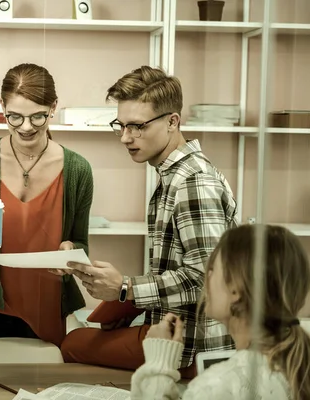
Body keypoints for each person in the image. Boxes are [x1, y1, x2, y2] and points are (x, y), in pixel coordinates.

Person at [61, 66, 237, 376]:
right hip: (174, 333)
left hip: (193, 349)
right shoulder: (176, 175)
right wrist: (125, 302)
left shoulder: (193, 182)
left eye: (138, 126)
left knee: (73, 344)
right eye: (122, 125)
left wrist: (127, 288)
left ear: (172, 122)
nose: (126, 137)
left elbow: (208, 279)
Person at [0, 63, 94, 363]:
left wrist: (71, 251)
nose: (26, 126)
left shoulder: (77, 170)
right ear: (2, 107)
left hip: (46, 308)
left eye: (38, 116)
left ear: (53, 108)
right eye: (15, 116)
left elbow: (80, 244)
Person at [131, 224, 310, 399]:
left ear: (236, 289)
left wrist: (159, 360)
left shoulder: (216, 387)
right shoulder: (296, 364)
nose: (206, 278)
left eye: (211, 270)